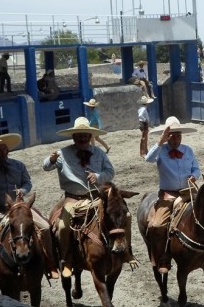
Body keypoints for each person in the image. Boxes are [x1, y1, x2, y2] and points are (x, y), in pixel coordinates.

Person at [43, 117, 135, 278]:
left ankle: (126, 251)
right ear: (73, 137)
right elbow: (46, 167)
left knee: (126, 216)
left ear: (90, 136)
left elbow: (110, 172)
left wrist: (98, 176)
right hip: (73, 199)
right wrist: (50, 160)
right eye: (79, 135)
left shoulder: (99, 153)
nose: (82, 138)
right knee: (63, 227)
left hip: (96, 196)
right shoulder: (62, 153)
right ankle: (67, 260)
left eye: (85, 135)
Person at [0, 130, 59, 291]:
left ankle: (50, 263)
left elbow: (28, 182)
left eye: (5, 149)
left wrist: (23, 190)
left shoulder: (18, 165)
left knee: (46, 227)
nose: (3, 151)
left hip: (20, 208)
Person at [144, 117, 203, 274]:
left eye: (178, 135)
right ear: (167, 136)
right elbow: (148, 159)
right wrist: (160, 142)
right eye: (172, 135)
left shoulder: (188, 150)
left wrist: (194, 176)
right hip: (168, 194)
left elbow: (197, 169)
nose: (176, 139)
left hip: (188, 191)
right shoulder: (160, 151)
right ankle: (163, 257)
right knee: (157, 225)